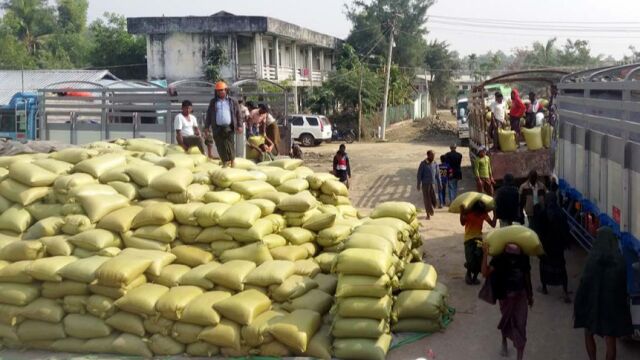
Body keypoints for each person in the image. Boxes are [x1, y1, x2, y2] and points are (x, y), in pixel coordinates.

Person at [574, 226, 633, 360]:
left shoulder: (592, 260)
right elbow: (623, 288)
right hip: (611, 309)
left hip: (592, 306)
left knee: (588, 333)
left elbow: (584, 284)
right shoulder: (620, 261)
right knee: (610, 341)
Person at [481, 243, 533, 360]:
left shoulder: (523, 258)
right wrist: (485, 254)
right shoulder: (500, 258)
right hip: (505, 297)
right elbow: (485, 273)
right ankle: (504, 340)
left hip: (520, 296)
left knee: (521, 325)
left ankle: (519, 357)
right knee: (507, 320)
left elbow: (527, 277)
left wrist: (530, 295)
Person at [533, 192, 571, 303]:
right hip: (558, 246)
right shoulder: (561, 213)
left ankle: (544, 288)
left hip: (546, 246)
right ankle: (565, 291)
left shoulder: (542, 213)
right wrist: (566, 243)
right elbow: (566, 230)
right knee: (561, 267)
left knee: (544, 266)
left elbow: (538, 231)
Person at [204, 81, 243, 166]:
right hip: (217, 126)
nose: (220, 92)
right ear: (216, 92)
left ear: (226, 90)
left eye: (222, 90)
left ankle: (232, 160)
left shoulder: (232, 101)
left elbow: (238, 114)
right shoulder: (213, 102)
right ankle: (225, 161)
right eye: (218, 90)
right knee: (219, 144)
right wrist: (207, 127)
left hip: (229, 126)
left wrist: (240, 125)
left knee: (229, 143)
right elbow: (209, 115)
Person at [460, 201, 496, 285]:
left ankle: (474, 277)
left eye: (480, 213)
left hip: (479, 239)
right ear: (474, 210)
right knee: (471, 260)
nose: (479, 214)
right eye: (477, 212)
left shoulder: (483, 214)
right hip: (468, 240)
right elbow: (462, 223)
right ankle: (468, 273)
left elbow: (493, 225)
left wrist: (495, 214)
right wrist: (461, 212)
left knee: (479, 259)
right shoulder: (469, 214)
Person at [417, 150, 441, 220]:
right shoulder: (423, 164)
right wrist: (418, 184)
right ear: (428, 156)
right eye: (432, 155)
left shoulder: (435, 164)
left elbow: (438, 174)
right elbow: (419, 175)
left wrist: (440, 184)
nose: (433, 157)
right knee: (427, 199)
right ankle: (428, 214)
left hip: (433, 184)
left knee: (433, 199)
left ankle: (432, 207)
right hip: (425, 185)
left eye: (434, 155)